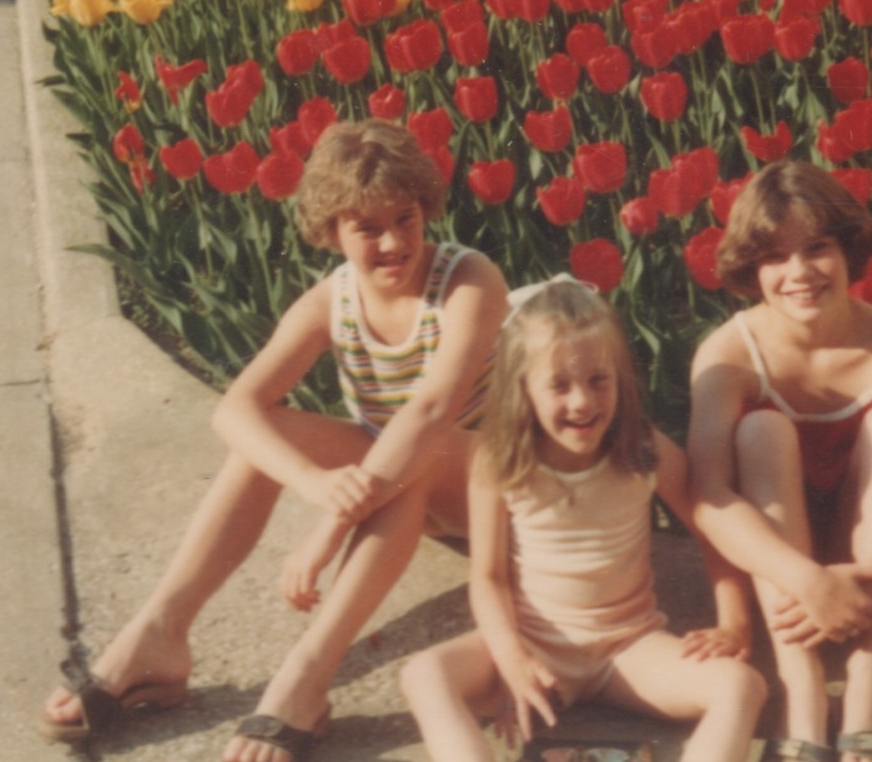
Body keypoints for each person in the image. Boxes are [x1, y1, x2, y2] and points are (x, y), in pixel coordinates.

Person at [38, 119, 512, 762]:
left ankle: (307, 677)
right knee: (267, 431)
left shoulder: (468, 280)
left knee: (411, 452)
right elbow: (235, 409)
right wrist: (313, 482)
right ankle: (161, 631)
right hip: (410, 483)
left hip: (500, 490)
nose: (394, 242)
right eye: (367, 229)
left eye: (405, 219)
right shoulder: (332, 301)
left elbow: (431, 411)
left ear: (425, 209)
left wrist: (329, 526)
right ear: (332, 231)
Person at [399, 277, 765, 762]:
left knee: (742, 687)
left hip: (628, 648)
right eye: (559, 384)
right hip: (534, 645)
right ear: (523, 388)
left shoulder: (644, 451)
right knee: (424, 675)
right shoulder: (500, 462)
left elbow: (712, 526)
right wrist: (512, 659)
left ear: (619, 379)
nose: (582, 402)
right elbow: (487, 578)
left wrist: (735, 622)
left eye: (598, 380)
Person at [686, 160, 872, 762]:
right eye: (774, 257)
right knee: (762, 431)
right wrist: (805, 579)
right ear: (751, 268)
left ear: (848, 249)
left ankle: (869, 689)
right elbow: (708, 497)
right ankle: (805, 696)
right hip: (779, 560)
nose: (798, 273)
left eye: (816, 248)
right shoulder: (729, 355)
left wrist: (867, 579)